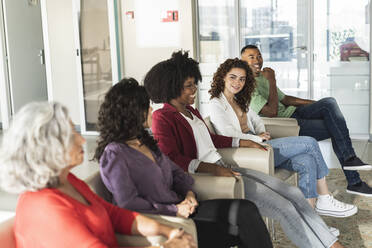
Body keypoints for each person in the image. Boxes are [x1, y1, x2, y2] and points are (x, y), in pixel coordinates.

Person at [144, 50, 345, 248]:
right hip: (210, 176)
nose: (194, 90)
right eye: (188, 86)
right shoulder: (163, 117)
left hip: (223, 165)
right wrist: (213, 169)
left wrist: (243, 142)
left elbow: (211, 139)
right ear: (171, 87)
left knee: (293, 194)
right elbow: (171, 158)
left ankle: (333, 244)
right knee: (283, 206)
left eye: (194, 84)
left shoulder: (191, 111)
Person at [94, 78, 273, 248]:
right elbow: (128, 203)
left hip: (185, 207)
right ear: (131, 113)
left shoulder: (145, 142)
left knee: (246, 210)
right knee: (241, 230)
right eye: (146, 107)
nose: (151, 110)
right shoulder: (115, 154)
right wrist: (174, 210)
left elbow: (177, 173)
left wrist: (189, 195)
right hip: (165, 219)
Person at [0, 101, 196, 248]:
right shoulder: (43, 207)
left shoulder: (67, 180)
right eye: (71, 134)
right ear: (47, 148)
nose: (82, 140)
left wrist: (168, 230)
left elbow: (114, 215)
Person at [208, 58, 357, 219]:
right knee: (309, 143)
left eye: (242, 79)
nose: (237, 82)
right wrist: (257, 139)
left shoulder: (238, 100)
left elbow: (257, 121)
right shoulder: (216, 104)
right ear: (223, 76)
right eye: (233, 77)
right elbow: (228, 134)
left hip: (260, 144)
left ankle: (311, 221)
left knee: (306, 160)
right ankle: (324, 197)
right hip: (247, 151)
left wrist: (260, 134)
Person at [241, 44, 372, 197]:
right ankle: (353, 178)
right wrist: (272, 81)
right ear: (242, 61)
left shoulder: (263, 77)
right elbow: (272, 112)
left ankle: (351, 165)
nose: (257, 60)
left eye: (259, 56)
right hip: (287, 123)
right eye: (251, 57)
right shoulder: (247, 86)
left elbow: (286, 99)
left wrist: (317, 104)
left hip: (296, 112)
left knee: (329, 103)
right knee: (335, 128)